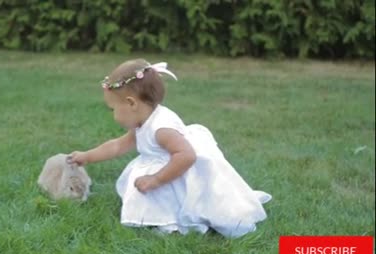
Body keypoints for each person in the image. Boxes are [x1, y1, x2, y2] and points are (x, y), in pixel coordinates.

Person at [69, 59, 271, 237]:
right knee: (145, 187)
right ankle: (159, 213)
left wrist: (156, 179)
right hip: (168, 163)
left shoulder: (161, 129)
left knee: (171, 195)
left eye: (113, 109)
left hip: (177, 170)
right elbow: (117, 146)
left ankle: (172, 222)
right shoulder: (143, 121)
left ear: (131, 103)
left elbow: (186, 156)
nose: (113, 115)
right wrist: (87, 156)